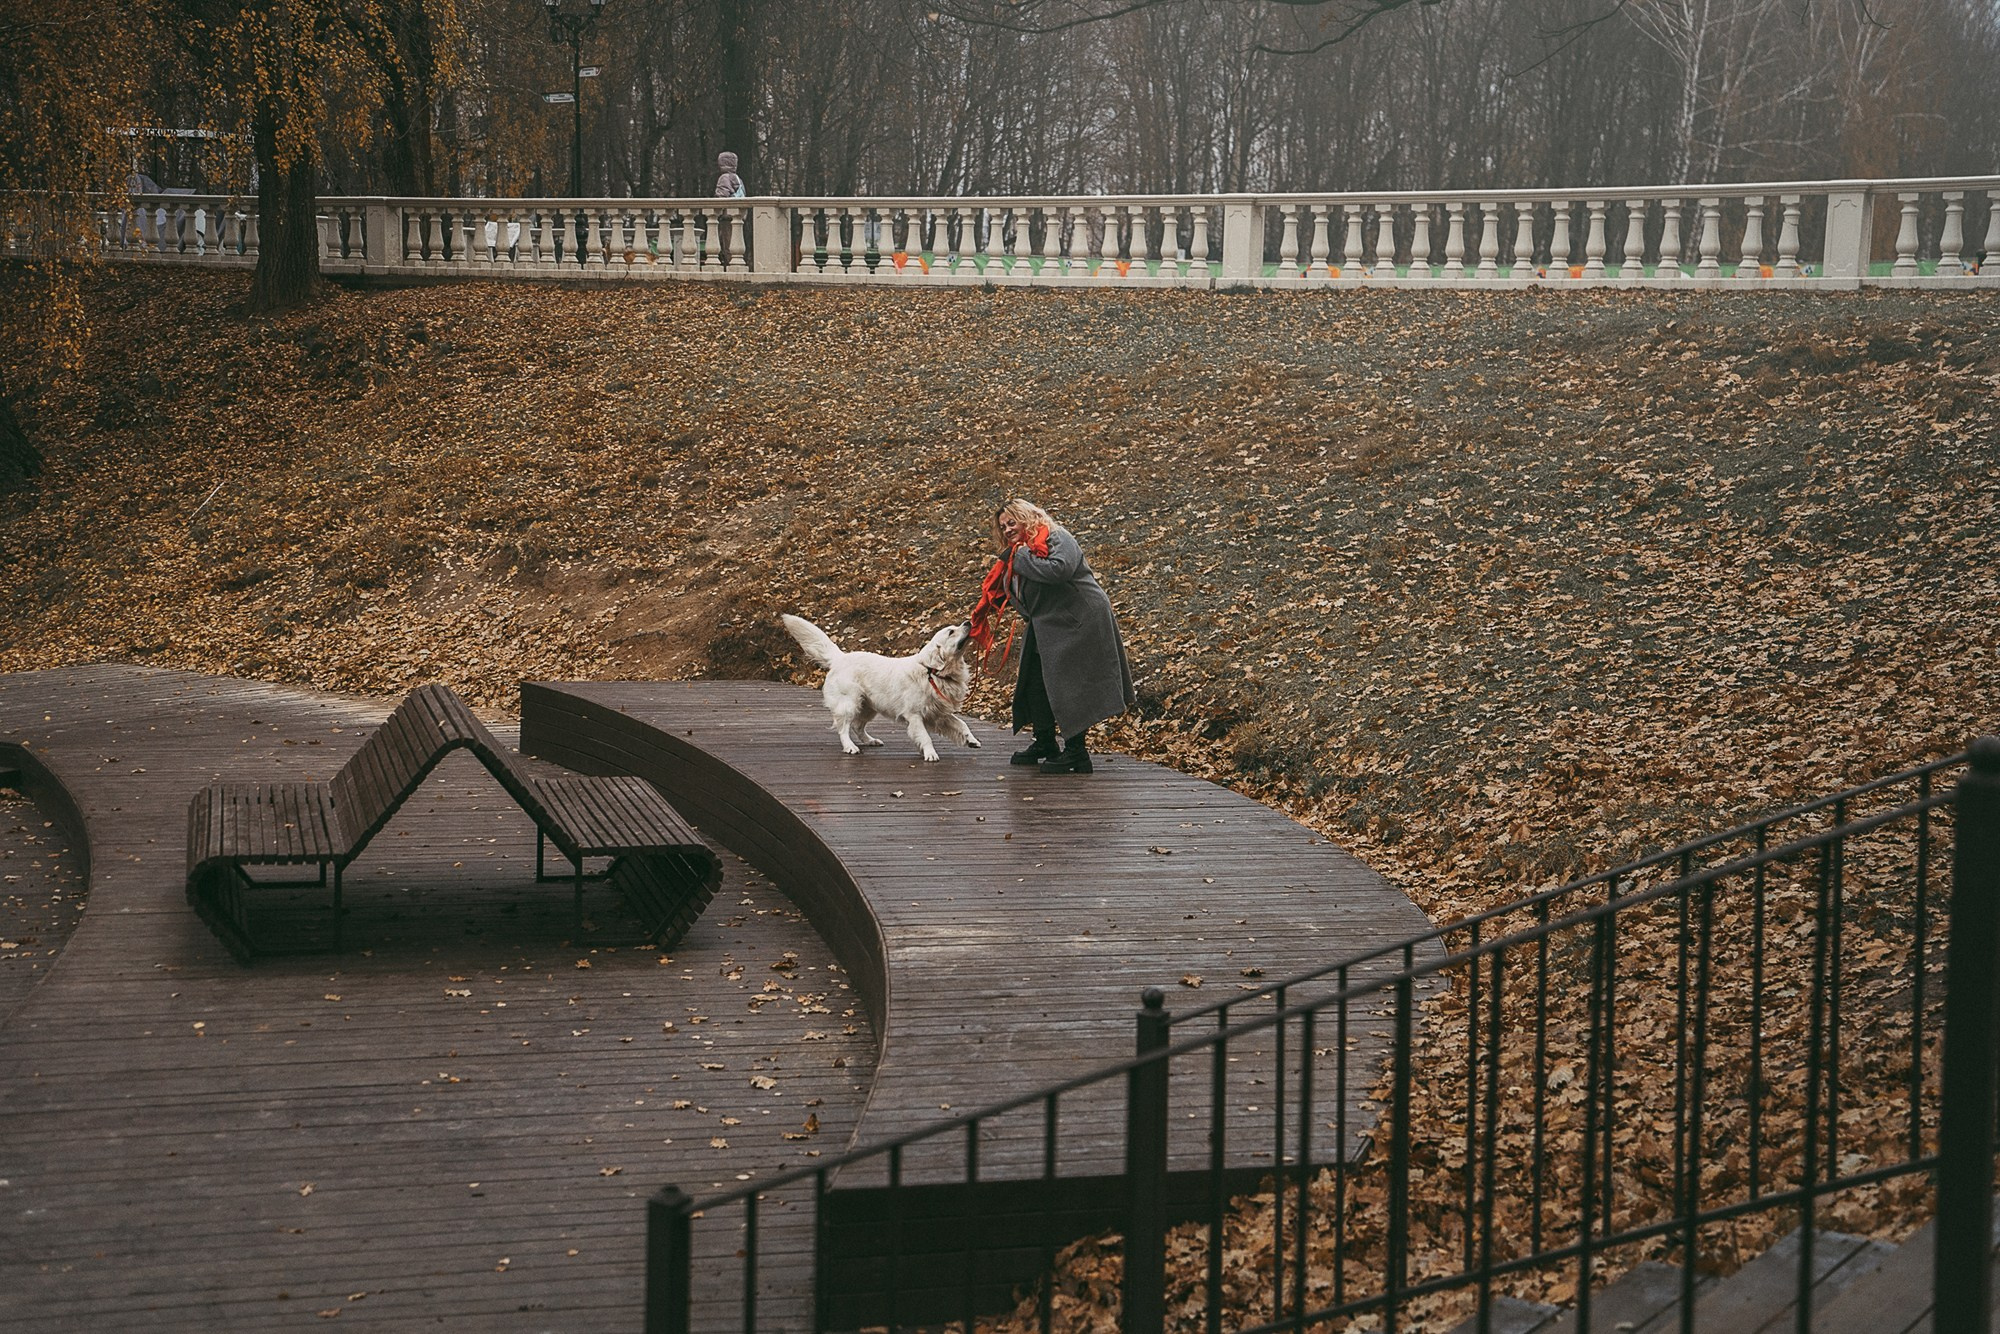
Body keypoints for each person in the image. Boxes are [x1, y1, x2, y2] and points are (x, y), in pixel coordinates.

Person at [969, 499, 1136, 775]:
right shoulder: (1017, 554)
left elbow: (1059, 570)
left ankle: (1076, 753)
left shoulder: (1057, 536)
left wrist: (1019, 558)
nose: (1008, 529)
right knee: (1034, 679)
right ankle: (1045, 741)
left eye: (1013, 522)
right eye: (1003, 526)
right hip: (1048, 623)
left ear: (1027, 518)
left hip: (1080, 619)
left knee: (1070, 683)